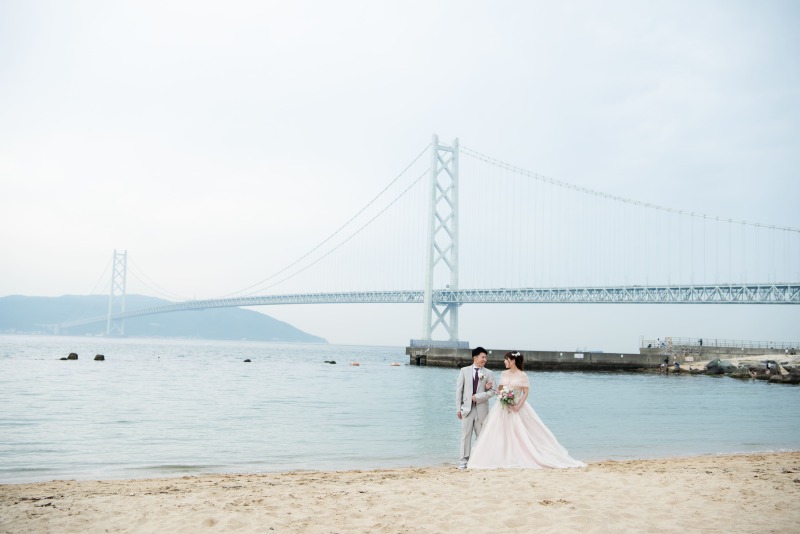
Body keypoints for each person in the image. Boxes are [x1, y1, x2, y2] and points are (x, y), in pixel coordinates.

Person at [468, 351, 585, 469]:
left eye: (506, 359)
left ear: (512, 360)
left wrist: (518, 405)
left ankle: (518, 456)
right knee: (498, 434)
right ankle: (499, 458)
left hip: (517, 407)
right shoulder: (503, 373)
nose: (504, 361)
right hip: (502, 407)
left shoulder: (523, 375)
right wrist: (492, 390)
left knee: (520, 433)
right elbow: (499, 390)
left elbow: (526, 393)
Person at [456, 346, 496, 469]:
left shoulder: (489, 373)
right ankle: (463, 461)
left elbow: (493, 391)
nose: (485, 360)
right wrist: (458, 408)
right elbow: (459, 390)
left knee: (481, 436)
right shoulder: (464, 371)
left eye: (485, 358)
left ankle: (480, 460)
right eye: (483, 357)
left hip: (481, 410)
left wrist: (478, 397)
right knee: (465, 436)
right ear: (475, 357)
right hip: (466, 409)